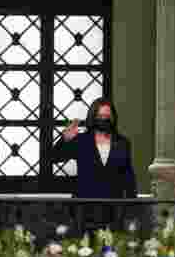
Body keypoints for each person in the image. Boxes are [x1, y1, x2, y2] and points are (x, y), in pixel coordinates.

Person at [51, 97, 137, 233]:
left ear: (113, 118)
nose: (104, 119)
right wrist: (64, 140)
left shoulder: (122, 143)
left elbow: (128, 176)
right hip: (84, 208)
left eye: (107, 116)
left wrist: (132, 209)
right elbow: (54, 157)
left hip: (113, 209)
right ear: (93, 117)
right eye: (100, 116)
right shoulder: (82, 141)